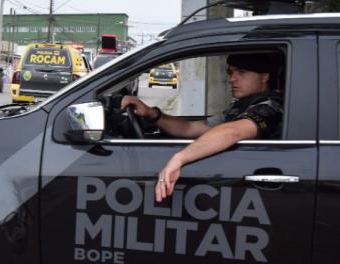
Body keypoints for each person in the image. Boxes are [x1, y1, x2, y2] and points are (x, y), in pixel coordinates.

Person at [121, 53, 283, 203]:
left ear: (264, 77)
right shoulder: (240, 106)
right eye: (230, 72)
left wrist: (179, 159)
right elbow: (192, 128)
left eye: (242, 72)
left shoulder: (271, 106)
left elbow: (233, 132)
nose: (232, 79)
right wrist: (152, 113)